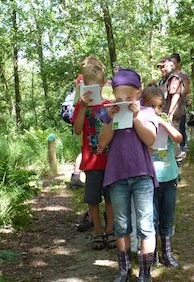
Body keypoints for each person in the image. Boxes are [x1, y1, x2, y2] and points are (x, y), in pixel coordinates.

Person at [98, 68, 158, 282]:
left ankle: (145, 272)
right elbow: (102, 143)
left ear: (139, 93)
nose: (123, 101)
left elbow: (151, 140)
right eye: (119, 97)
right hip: (117, 176)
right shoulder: (108, 114)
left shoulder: (147, 112)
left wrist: (134, 118)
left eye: (129, 97)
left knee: (145, 225)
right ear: (113, 95)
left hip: (142, 175)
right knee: (121, 225)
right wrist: (111, 120)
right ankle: (123, 270)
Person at [72, 55, 115, 250]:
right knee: (93, 199)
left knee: (111, 198)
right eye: (88, 87)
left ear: (103, 84)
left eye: (95, 88)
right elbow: (77, 130)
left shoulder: (108, 105)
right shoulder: (80, 106)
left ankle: (111, 230)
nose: (92, 92)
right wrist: (82, 107)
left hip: (110, 161)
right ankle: (98, 232)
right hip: (91, 161)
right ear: (83, 86)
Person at [142, 86, 182, 268]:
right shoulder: (142, 125)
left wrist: (164, 124)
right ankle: (153, 254)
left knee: (167, 215)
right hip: (150, 178)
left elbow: (178, 138)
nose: (155, 111)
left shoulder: (165, 121)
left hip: (169, 177)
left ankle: (167, 252)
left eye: (159, 107)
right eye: (151, 106)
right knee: (151, 217)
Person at [169, 53, 190, 154]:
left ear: (178, 63)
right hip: (172, 105)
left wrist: (177, 92)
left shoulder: (182, 75)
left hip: (181, 105)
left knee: (181, 126)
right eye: (171, 62)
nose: (172, 64)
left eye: (174, 62)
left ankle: (183, 146)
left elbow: (187, 90)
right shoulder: (170, 75)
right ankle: (176, 149)